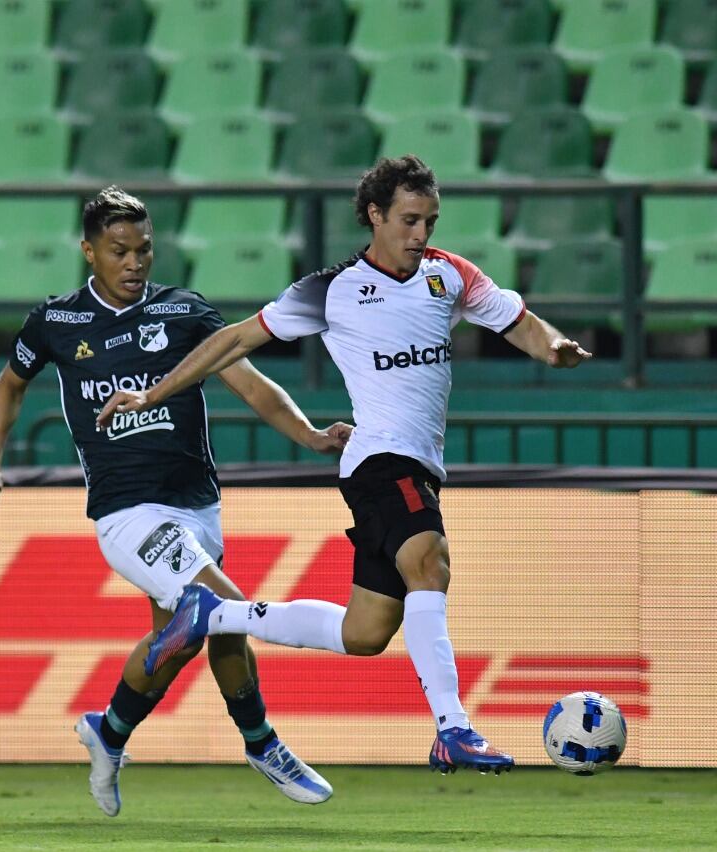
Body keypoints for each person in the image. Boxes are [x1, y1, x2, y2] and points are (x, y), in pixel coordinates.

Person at [97, 156, 592, 776]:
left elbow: (516, 322)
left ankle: (214, 613)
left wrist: (552, 347)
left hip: (413, 466)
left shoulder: (449, 275)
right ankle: (454, 729)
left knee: (365, 632)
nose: (421, 234)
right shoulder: (331, 289)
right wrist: (152, 393)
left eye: (430, 221)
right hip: (380, 460)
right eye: (409, 220)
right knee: (430, 560)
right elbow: (234, 340)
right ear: (376, 215)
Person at [0, 187, 351, 816]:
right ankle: (263, 743)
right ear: (88, 251)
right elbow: (9, 385)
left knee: (191, 636)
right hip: (127, 512)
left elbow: (249, 381)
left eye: (144, 249)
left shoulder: (184, 312)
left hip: (196, 504)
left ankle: (107, 733)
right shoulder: (56, 322)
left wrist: (312, 435)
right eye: (119, 251)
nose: (135, 262)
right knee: (222, 605)